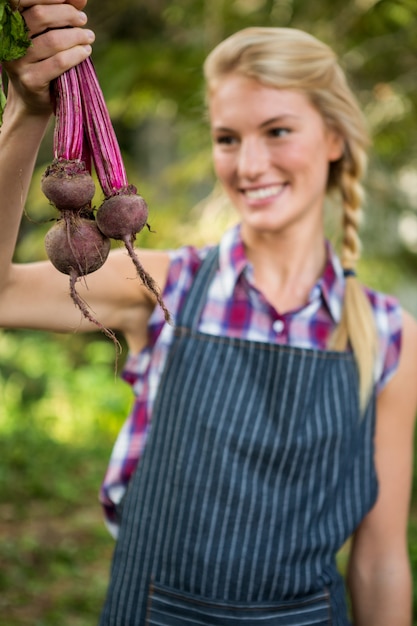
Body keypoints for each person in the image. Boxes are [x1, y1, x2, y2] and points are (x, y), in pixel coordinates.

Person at [1, 1, 417, 624]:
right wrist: (29, 112)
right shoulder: (168, 286)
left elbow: (379, 559)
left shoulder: (390, 335)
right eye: (228, 138)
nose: (248, 165)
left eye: (277, 131)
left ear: (334, 138)